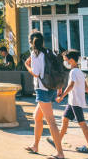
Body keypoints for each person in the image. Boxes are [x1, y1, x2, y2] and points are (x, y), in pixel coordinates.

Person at [24, 30, 64, 158]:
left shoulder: (35, 54)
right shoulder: (47, 52)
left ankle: (60, 153)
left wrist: (26, 65)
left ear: (31, 42)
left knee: (51, 121)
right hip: (51, 88)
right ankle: (35, 145)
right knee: (37, 117)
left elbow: (35, 73)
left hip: (42, 90)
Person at [53, 49, 88, 154]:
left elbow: (71, 85)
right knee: (64, 119)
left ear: (72, 60)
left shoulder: (73, 72)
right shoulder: (80, 72)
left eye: (66, 60)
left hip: (76, 102)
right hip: (72, 102)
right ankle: (58, 141)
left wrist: (61, 96)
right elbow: (86, 88)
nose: (66, 63)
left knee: (82, 123)